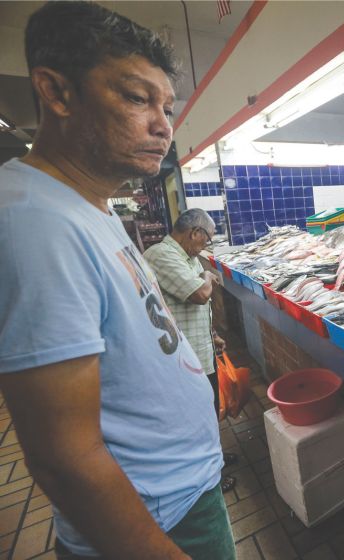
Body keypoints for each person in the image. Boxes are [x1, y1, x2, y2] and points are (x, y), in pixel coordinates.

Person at [0, 3, 233, 559]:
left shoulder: (89, 206)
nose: (163, 125)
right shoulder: (32, 221)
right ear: (56, 92)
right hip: (155, 522)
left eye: (167, 106)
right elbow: (63, 454)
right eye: (135, 98)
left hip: (180, 496)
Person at [143, 209, 238, 493]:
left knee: (207, 412)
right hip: (183, 358)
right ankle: (208, 479)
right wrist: (208, 276)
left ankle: (215, 460)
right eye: (206, 239)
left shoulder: (188, 257)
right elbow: (199, 295)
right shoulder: (161, 255)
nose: (206, 245)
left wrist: (212, 334)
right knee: (194, 418)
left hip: (199, 348)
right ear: (195, 233)